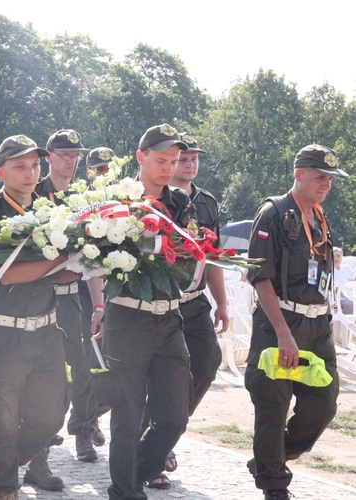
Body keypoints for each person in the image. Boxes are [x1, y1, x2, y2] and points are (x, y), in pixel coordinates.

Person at [0, 135, 73, 500]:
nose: (31, 173)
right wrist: (62, 259)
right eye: (20, 166)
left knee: (50, 418)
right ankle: (1, 488)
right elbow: (8, 274)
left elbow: (55, 274)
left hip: (45, 331)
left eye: (35, 165)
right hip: (1, 334)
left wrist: (86, 261)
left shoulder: (51, 209)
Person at [97, 124, 192, 499]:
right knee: (128, 415)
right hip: (128, 316)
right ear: (140, 158)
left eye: (174, 161)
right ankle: (124, 490)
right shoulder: (116, 199)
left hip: (169, 316)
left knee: (174, 419)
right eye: (161, 160)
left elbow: (188, 253)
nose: (169, 168)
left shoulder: (181, 203)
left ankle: (132, 475)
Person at [245, 144, 342, 500]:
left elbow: (320, 274)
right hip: (280, 323)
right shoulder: (273, 213)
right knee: (273, 406)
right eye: (320, 177)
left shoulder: (319, 216)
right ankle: (274, 485)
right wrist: (283, 334)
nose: (326, 184)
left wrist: (327, 314)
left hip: (317, 326)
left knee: (324, 404)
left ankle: (269, 457)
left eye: (330, 179)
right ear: (299, 174)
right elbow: (260, 277)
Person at [151, 132, 229, 488]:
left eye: (194, 158)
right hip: (161, 299)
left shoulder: (208, 203)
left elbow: (212, 256)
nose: (190, 164)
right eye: (183, 159)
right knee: (162, 375)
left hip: (195, 300)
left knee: (208, 362)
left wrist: (223, 303)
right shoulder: (156, 197)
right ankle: (153, 448)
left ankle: (164, 436)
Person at [33, 129, 104, 473]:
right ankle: (39, 448)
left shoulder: (84, 199)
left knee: (82, 369)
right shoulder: (34, 193)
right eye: (65, 155)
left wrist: (100, 304)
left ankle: (83, 431)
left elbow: (93, 258)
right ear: (49, 157)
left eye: (76, 155)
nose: (72, 161)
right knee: (44, 374)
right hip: (40, 297)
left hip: (73, 296)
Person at [333, 247, 355, 314]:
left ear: (341, 257)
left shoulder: (346, 268)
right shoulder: (329, 271)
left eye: (338, 256)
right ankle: (347, 324)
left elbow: (353, 280)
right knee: (349, 304)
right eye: (333, 256)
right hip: (338, 298)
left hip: (351, 295)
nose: (336, 258)